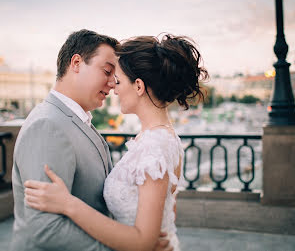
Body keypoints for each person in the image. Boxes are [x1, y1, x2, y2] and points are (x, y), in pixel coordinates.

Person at [24, 34, 209, 251]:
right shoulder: (161, 139)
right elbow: (168, 211)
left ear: (138, 86)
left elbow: (143, 242)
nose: (114, 87)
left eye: (118, 81)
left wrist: (68, 204)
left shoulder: (153, 147)